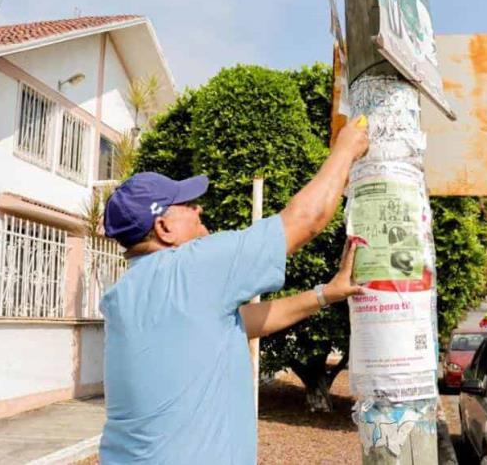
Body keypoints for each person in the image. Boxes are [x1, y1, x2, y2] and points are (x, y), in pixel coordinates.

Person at [98, 117, 368, 464]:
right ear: (164, 227)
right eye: (187, 205)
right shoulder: (190, 267)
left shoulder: (126, 293)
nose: (199, 209)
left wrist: (325, 294)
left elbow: (242, 322)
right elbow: (306, 220)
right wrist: (346, 148)